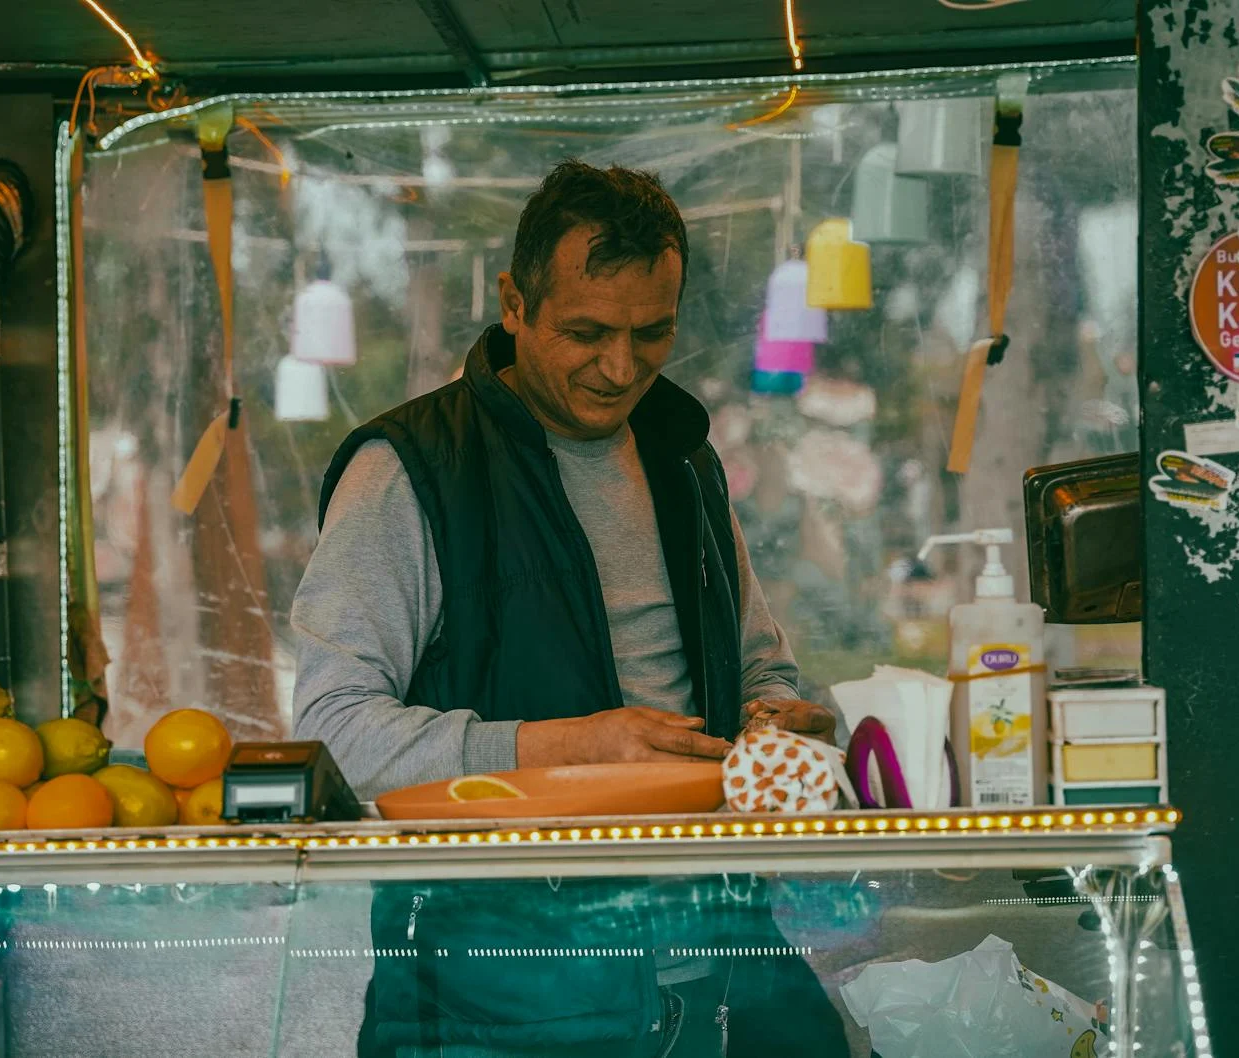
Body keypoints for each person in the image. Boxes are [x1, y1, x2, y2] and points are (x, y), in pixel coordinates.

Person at [291, 159, 848, 1058]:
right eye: (586, 331)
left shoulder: (683, 458)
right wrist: (569, 748)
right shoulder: (411, 469)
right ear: (515, 303)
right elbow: (333, 734)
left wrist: (782, 717)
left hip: (721, 970)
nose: (620, 367)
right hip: (499, 1001)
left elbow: (758, 663)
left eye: (652, 332)